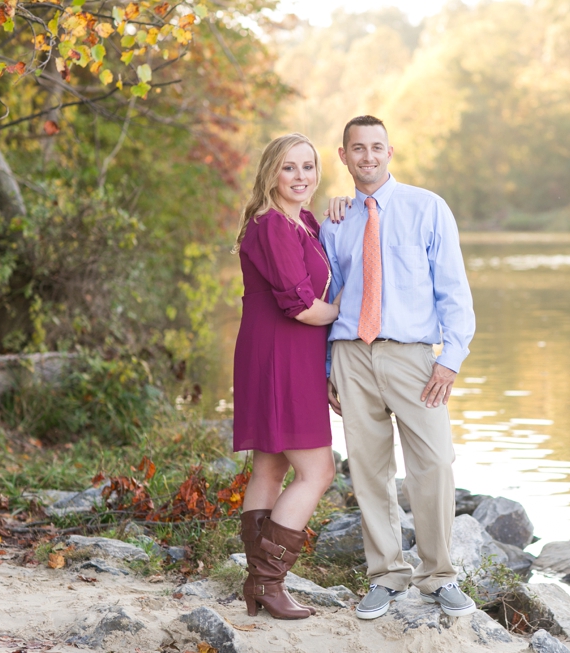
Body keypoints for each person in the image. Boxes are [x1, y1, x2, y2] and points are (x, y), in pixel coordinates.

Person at [319, 115, 477, 620]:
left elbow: (453, 289)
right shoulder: (336, 221)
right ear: (343, 156)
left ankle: (438, 576)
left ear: (391, 152)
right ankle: (386, 575)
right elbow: (328, 297)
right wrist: (327, 366)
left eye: (377, 147)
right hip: (351, 357)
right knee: (368, 469)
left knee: (434, 462)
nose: (368, 156)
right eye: (357, 148)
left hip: (412, 357)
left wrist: (450, 359)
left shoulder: (427, 208)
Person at [231, 133, 339, 620]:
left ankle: (259, 586)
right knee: (318, 471)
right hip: (280, 353)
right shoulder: (273, 225)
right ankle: (268, 584)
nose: (301, 177)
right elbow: (300, 305)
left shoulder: (305, 221)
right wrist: (349, 315)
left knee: (271, 468)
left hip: (281, 351)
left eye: (308, 167)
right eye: (290, 168)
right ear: (271, 172)